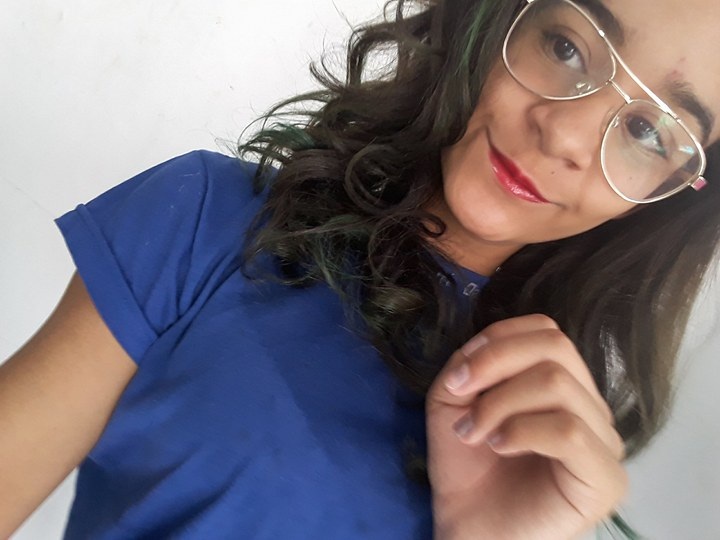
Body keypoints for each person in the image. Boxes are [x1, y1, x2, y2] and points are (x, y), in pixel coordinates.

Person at [2, 0, 719, 538]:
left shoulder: (551, 458)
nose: (564, 133)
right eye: (567, 46)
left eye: (648, 131)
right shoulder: (207, 222)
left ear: (669, 198)